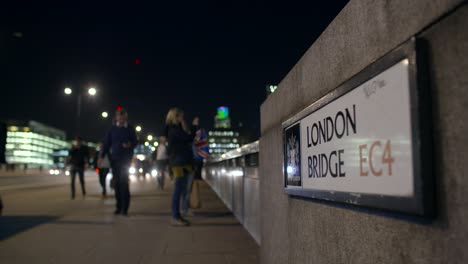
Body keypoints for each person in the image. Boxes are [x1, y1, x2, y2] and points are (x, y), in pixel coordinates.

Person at [99, 108, 138, 216]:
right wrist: (101, 157)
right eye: (119, 117)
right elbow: (106, 144)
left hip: (126, 160)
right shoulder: (112, 129)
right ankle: (118, 206)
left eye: (123, 117)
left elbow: (135, 141)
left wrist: (130, 144)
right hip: (114, 160)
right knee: (116, 183)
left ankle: (125, 209)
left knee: (124, 183)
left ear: (125, 118)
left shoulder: (130, 129)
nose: (121, 119)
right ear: (116, 118)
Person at [165, 108, 198, 226]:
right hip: (178, 163)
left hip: (182, 162)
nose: (182, 118)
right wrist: (194, 126)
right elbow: (189, 138)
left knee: (182, 188)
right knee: (178, 189)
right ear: (175, 117)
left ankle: (178, 214)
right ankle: (175, 216)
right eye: (180, 116)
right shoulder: (173, 130)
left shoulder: (176, 129)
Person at [191, 125, 210, 209]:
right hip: (194, 161)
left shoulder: (194, 140)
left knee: (193, 182)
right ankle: (194, 202)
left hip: (193, 161)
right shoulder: (197, 140)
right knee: (194, 181)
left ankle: (194, 202)